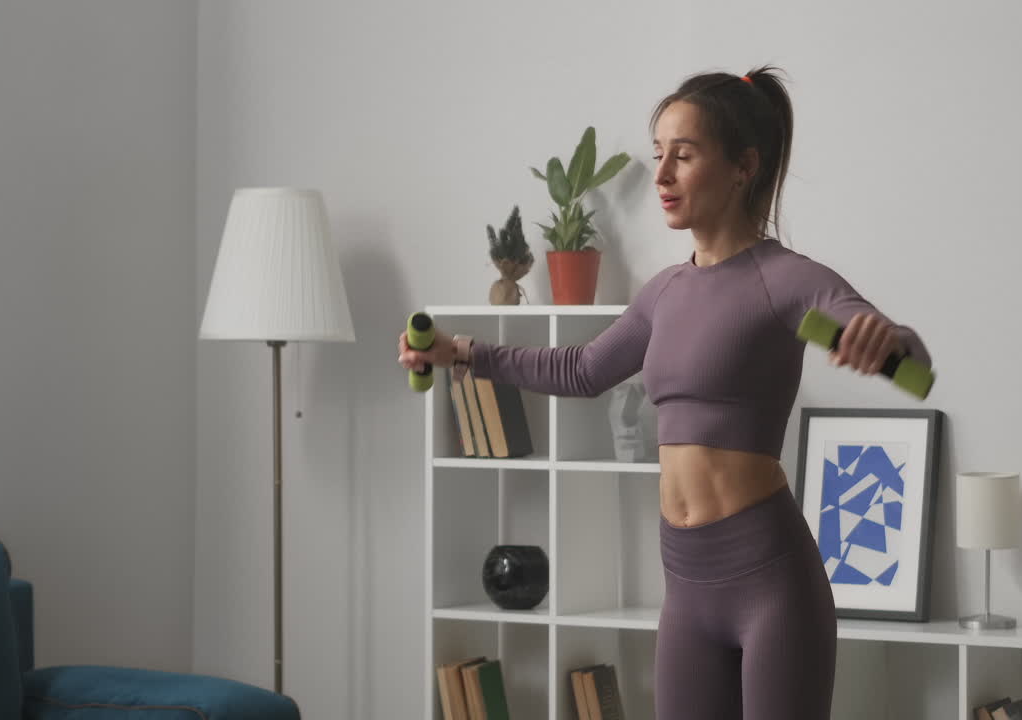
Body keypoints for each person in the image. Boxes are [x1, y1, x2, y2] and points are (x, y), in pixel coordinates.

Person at [397, 66, 932, 720]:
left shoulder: (786, 279)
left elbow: (900, 347)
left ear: (743, 167)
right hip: (686, 586)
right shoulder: (663, 293)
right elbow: (583, 370)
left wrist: (888, 338)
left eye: (684, 155)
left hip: (771, 584)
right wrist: (462, 353)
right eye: (659, 155)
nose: (662, 175)